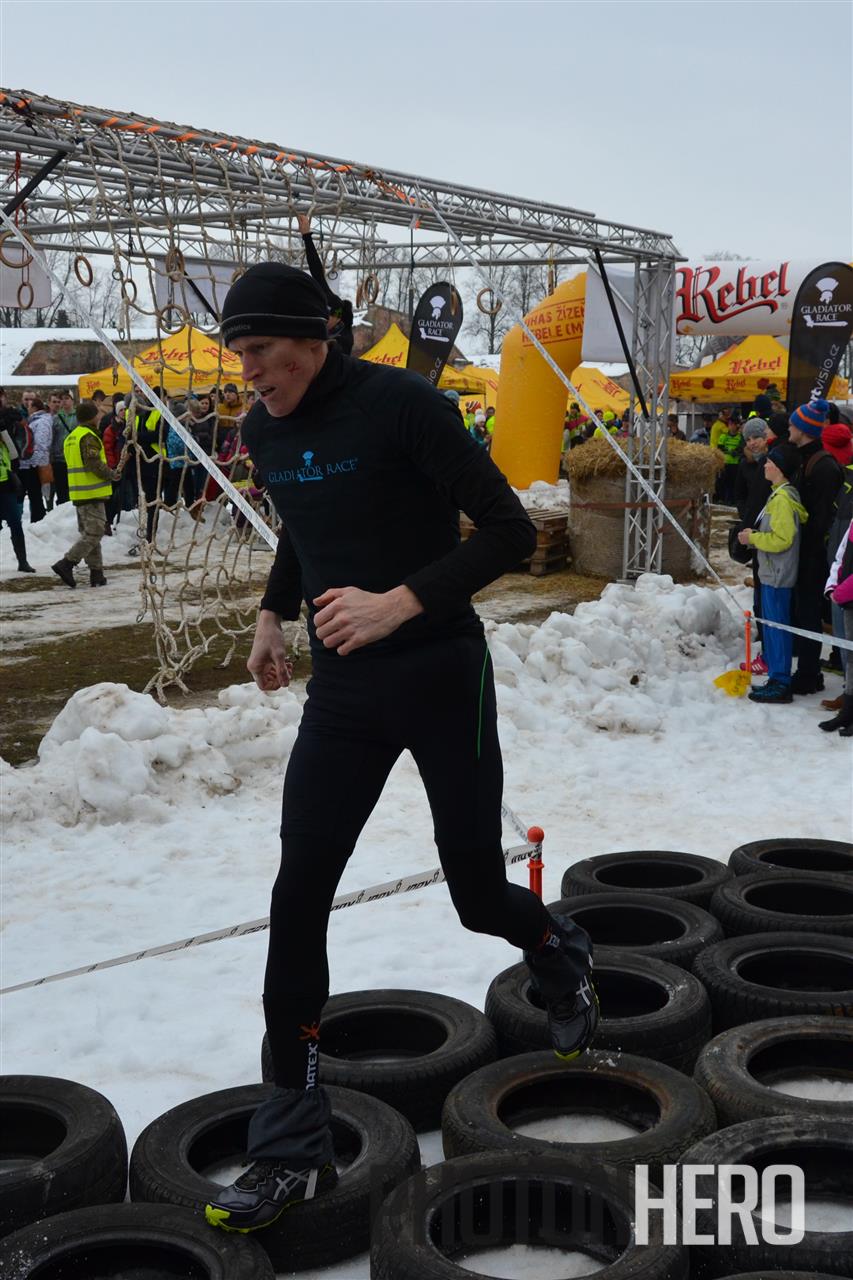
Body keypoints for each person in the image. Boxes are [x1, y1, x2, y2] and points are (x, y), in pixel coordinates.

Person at [202, 261, 598, 1235]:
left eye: (261, 350)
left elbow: (508, 530)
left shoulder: (404, 406)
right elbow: (303, 527)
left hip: (439, 675)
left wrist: (400, 602)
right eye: (239, 353)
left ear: (314, 337)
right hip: (344, 692)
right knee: (297, 895)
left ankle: (558, 951)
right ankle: (290, 1140)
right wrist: (271, 612)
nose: (249, 370)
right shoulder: (264, 430)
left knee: (474, 893)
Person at [738, 444, 808, 704]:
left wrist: (753, 538)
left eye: (769, 463)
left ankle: (780, 682)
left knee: (777, 629)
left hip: (777, 575)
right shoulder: (778, 495)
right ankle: (777, 677)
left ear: (779, 469)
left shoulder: (781, 500)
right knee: (773, 627)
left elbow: (783, 539)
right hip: (772, 573)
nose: (764, 466)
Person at [787, 399, 843, 695]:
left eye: (793, 424)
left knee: (809, 613)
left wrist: (803, 545)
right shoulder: (805, 458)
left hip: (813, 555)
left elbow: (820, 518)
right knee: (801, 611)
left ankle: (809, 674)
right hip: (802, 551)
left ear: (804, 430)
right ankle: (807, 669)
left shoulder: (824, 466)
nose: (789, 427)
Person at [51, 400, 123, 588]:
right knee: (95, 532)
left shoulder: (72, 437)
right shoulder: (88, 437)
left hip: (80, 492)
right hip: (91, 492)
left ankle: (96, 573)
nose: (100, 416)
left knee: (91, 534)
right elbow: (93, 464)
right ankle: (67, 563)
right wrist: (111, 474)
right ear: (92, 417)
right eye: (97, 413)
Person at [820, 417, 853, 709]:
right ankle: (848, 688)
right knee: (842, 632)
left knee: (847, 632)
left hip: (847, 574)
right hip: (840, 565)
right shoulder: (842, 474)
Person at [296, 213, 354, 355]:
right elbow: (317, 272)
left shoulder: (343, 338)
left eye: (326, 318)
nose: (323, 320)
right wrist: (306, 236)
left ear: (337, 318)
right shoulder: (329, 304)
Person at [820, 514, 853, 734]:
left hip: (847, 594)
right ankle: (848, 710)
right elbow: (841, 555)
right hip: (849, 601)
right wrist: (832, 585)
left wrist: (842, 592)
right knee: (851, 657)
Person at [0, 409, 35, 573]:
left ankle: (23, 561)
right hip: (6, 487)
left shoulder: (5, 443)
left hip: (6, 486)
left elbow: (15, 456)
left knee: (15, 524)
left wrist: (3, 431)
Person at [18, 397, 52, 524]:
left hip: (34, 465)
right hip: (31, 464)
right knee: (34, 496)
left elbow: (41, 444)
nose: (27, 408)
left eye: (29, 406)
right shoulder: (35, 420)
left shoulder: (41, 422)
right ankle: (37, 521)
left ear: (35, 408)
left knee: (35, 497)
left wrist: (33, 462)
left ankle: (38, 522)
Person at [715, 415, 743, 505]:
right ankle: (723, 500)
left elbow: (740, 450)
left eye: (732, 424)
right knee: (723, 483)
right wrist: (731, 451)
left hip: (735, 465)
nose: (730, 426)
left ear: (737, 425)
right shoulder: (723, 436)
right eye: (729, 424)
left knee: (734, 484)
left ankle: (733, 501)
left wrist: (731, 451)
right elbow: (720, 449)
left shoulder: (740, 437)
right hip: (725, 464)